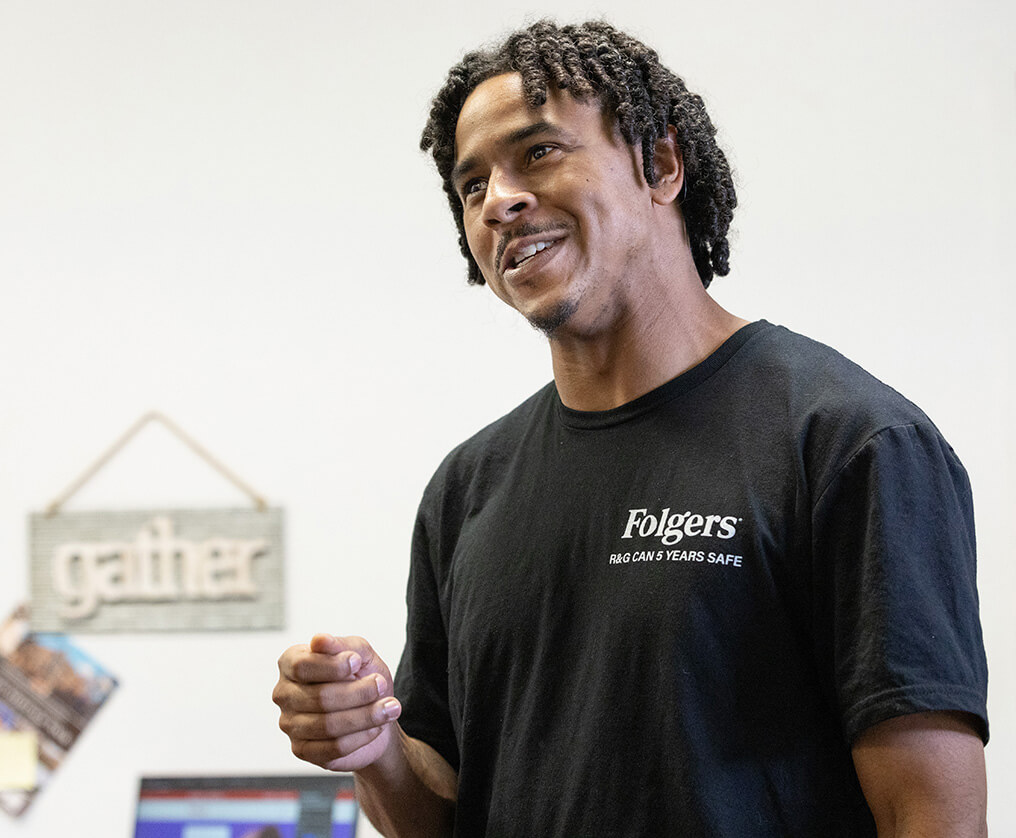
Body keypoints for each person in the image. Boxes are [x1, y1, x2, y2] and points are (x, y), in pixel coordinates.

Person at [273, 19, 988, 836]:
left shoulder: (848, 442)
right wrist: (373, 747)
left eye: (538, 152)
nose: (498, 200)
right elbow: (442, 811)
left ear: (662, 165)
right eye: (472, 187)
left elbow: (932, 814)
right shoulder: (468, 488)